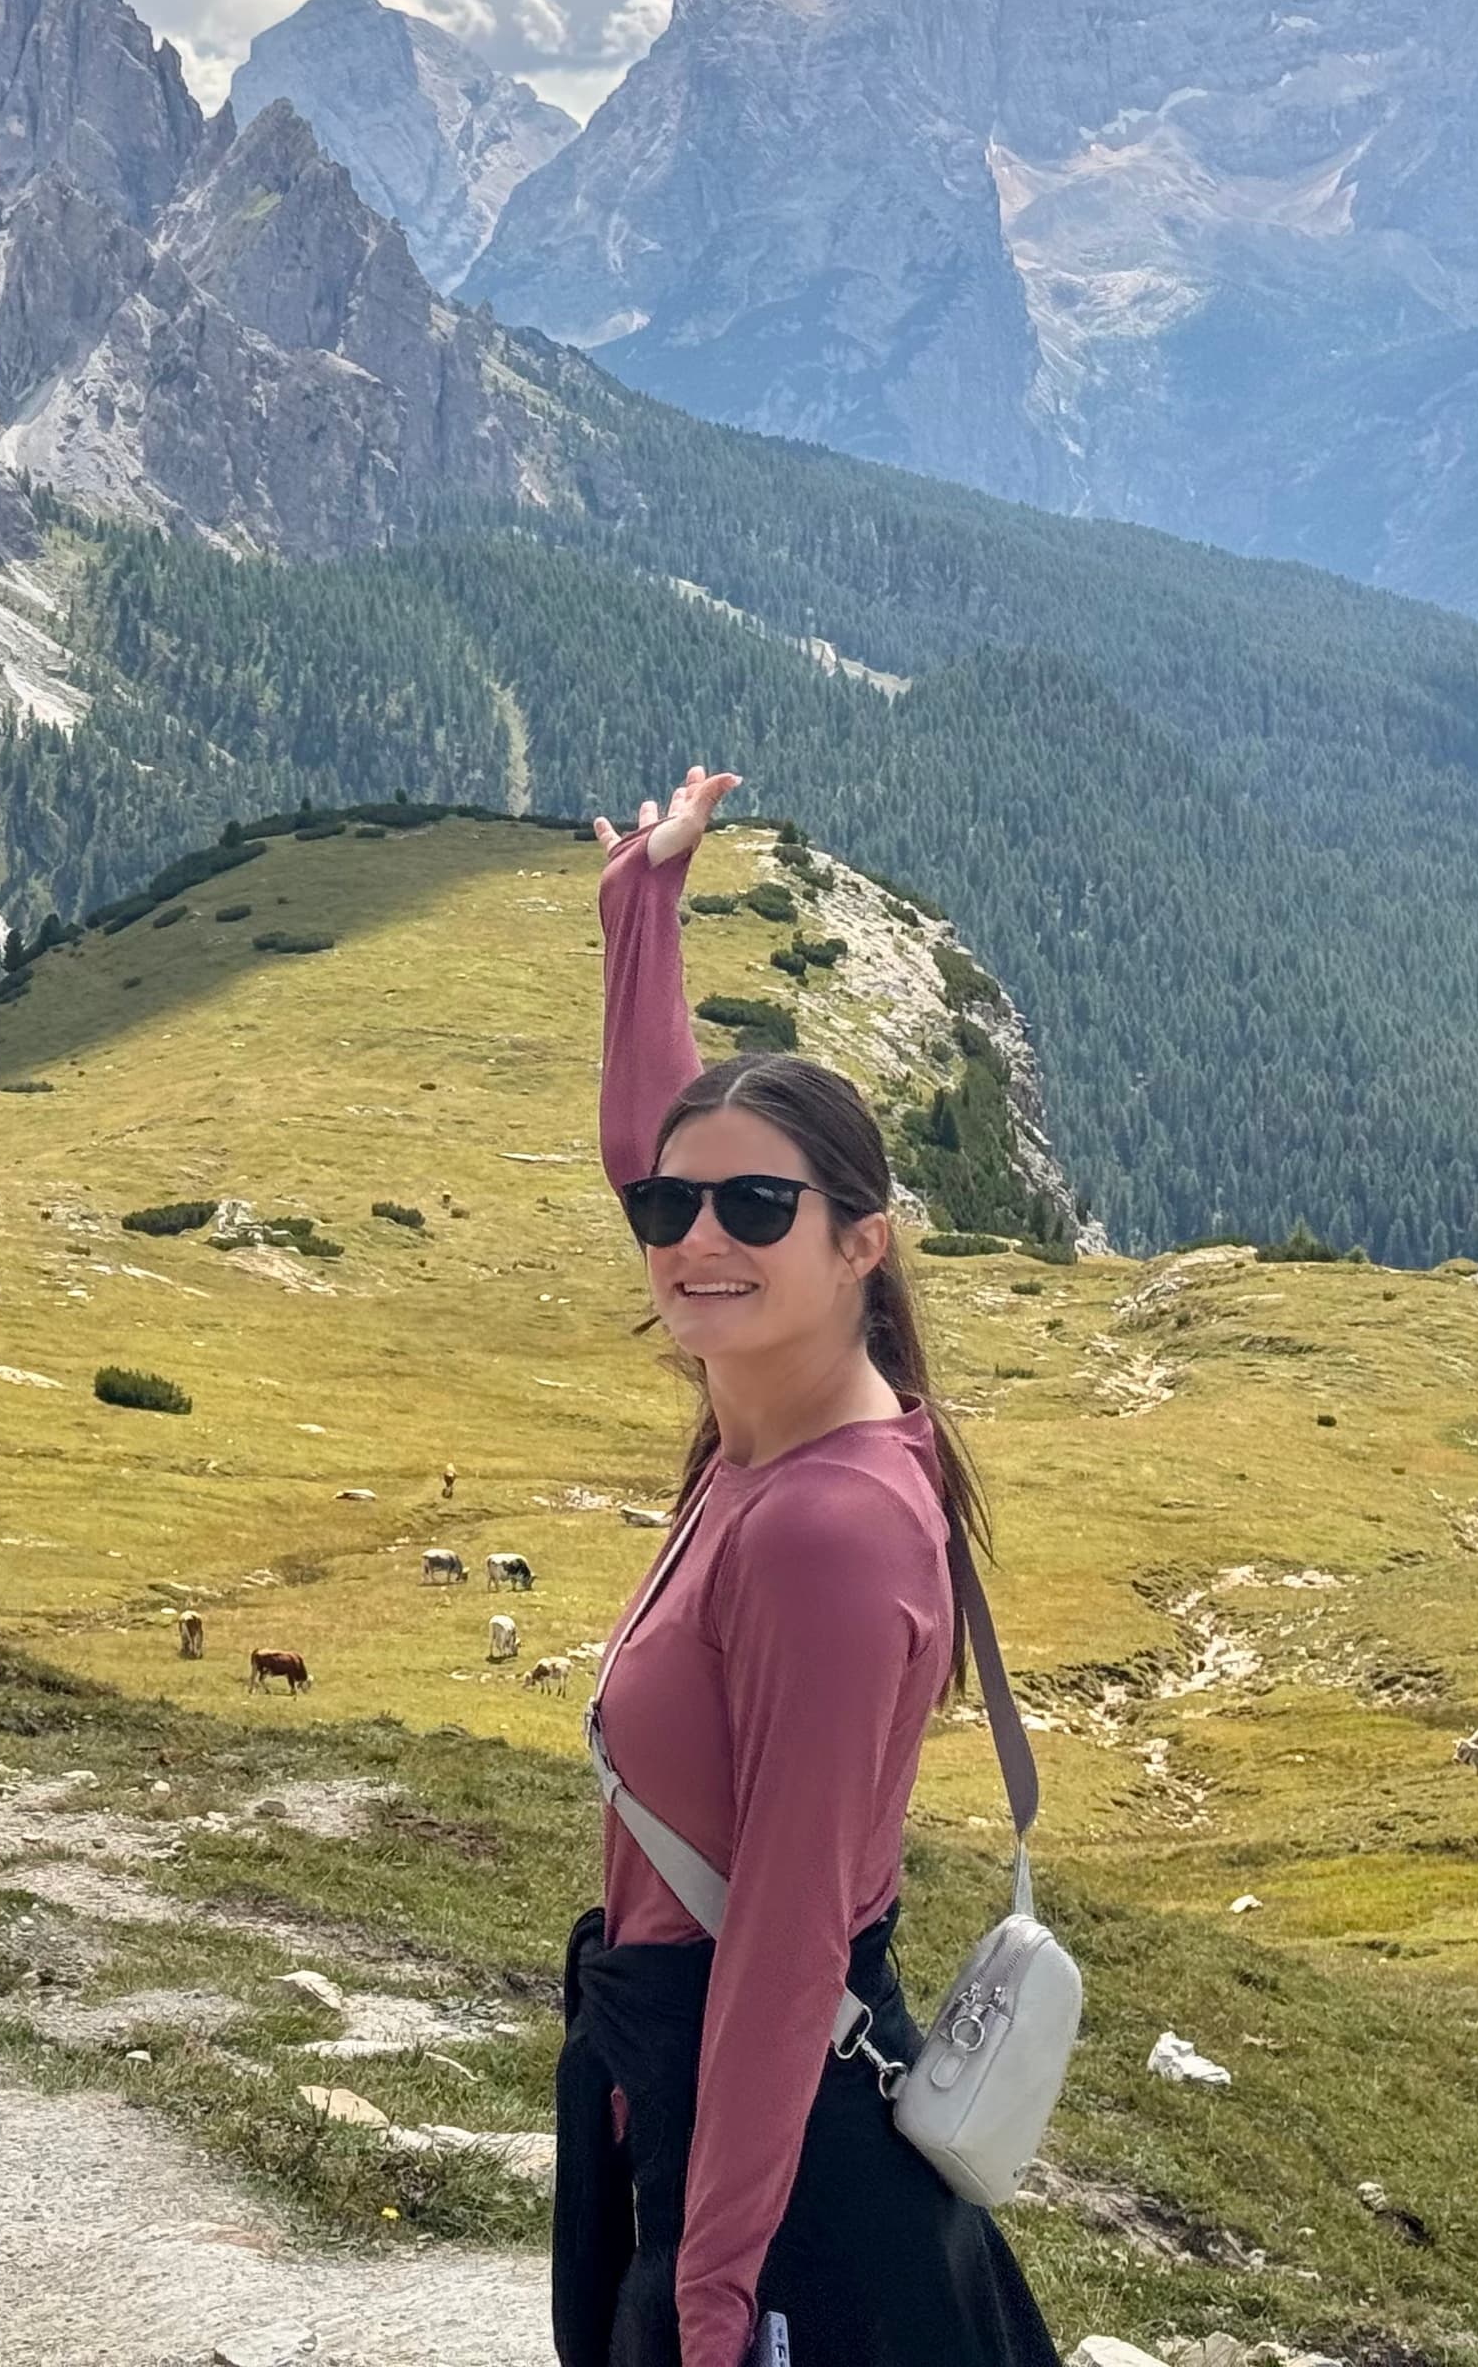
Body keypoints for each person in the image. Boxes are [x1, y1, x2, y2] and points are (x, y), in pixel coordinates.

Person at [553, 766, 1059, 2367]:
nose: (697, 1237)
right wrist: (643, 908)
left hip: (783, 2189)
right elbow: (659, 1149)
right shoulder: (769, 1408)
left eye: (759, 1207)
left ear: (862, 1241)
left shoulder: (826, 1530)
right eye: (673, 1209)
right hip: (686, 2094)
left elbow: (781, 1953)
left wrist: (712, 2302)